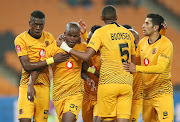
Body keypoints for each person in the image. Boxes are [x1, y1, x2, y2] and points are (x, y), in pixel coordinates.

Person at [59, 5, 136, 122]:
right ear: (116, 17)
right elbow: (133, 63)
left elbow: (86, 55)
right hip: (126, 83)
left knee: (106, 119)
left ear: (101, 18)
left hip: (108, 83)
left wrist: (65, 47)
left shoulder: (100, 32)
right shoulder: (128, 33)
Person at [14, 10, 69, 122]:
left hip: (44, 85)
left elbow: (57, 55)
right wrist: (51, 59)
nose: (38, 28)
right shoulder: (21, 39)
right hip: (26, 84)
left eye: (41, 24)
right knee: (24, 119)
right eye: (35, 24)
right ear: (30, 23)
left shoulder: (49, 38)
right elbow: (27, 66)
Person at [123, 13, 174, 122]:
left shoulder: (166, 44)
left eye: (147, 23)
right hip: (146, 94)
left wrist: (137, 68)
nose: (143, 26)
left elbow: (161, 68)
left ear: (155, 27)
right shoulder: (142, 43)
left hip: (162, 92)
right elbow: (134, 61)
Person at [78, 20, 102, 122]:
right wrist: (84, 33)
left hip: (100, 96)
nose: (88, 42)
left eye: (90, 39)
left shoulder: (104, 55)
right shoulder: (85, 48)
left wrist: (88, 69)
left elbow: (104, 75)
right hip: (86, 96)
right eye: (87, 39)